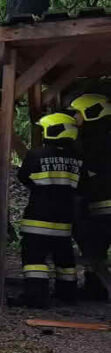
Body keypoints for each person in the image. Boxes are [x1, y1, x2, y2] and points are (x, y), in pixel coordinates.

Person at [17, 112, 83, 308]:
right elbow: (82, 185)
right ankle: (67, 294)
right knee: (64, 259)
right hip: (64, 219)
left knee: (34, 259)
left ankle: (36, 296)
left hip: (37, 218)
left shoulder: (36, 154)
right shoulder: (78, 158)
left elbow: (23, 177)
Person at [69, 93, 110, 299]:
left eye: (78, 113)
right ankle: (97, 287)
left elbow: (88, 173)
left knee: (94, 249)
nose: (75, 118)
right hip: (99, 204)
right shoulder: (99, 136)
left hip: (101, 206)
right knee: (96, 250)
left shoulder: (95, 141)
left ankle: (98, 287)